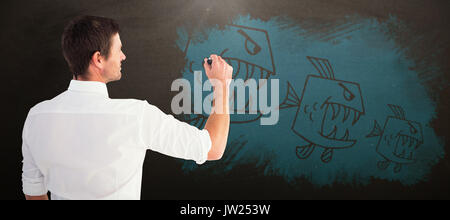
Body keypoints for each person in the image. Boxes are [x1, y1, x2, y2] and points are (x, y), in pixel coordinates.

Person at [21, 15, 232, 200]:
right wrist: (221, 85)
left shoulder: (37, 117)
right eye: (119, 50)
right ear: (98, 59)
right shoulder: (136, 116)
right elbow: (212, 148)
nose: (123, 56)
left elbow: (33, 192)